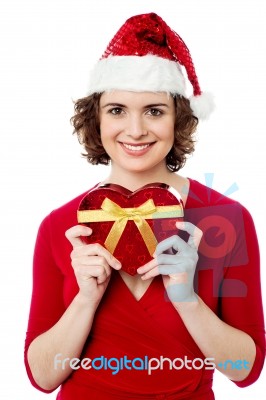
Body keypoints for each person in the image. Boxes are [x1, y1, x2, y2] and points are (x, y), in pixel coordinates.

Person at [24, 12, 265, 400]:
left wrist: (187, 298)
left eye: (155, 110)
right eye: (117, 110)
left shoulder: (227, 219)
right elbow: (42, 377)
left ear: (179, 119)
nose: (135, 130)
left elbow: (244, 371)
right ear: (96, 119)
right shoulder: (61, 225)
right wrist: (86, 299)